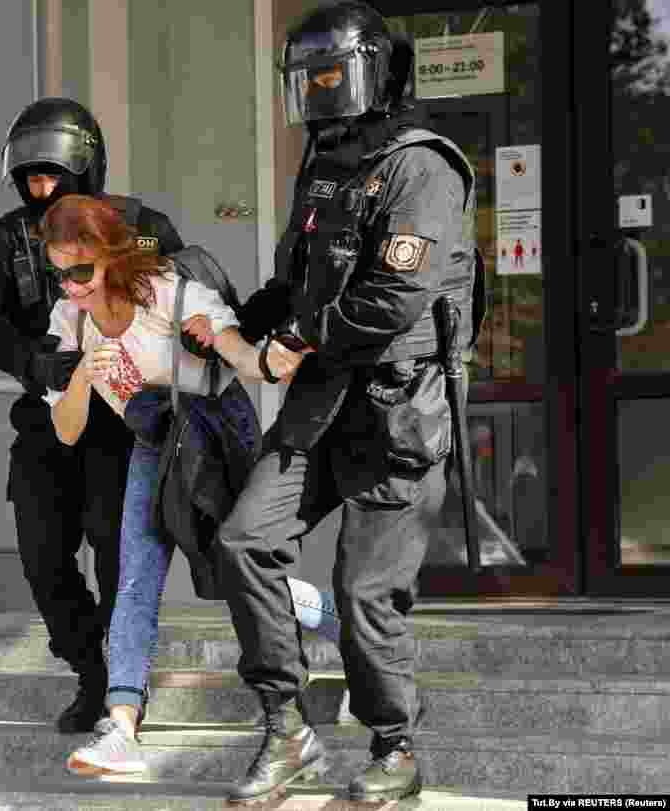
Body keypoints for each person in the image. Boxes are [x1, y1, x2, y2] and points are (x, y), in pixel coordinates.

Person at [217, 1, 479, 804]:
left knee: (366, 590)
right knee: (243, 540)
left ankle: (395, 745)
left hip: (397, 406)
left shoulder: (421, 164)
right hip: (319, 401)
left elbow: (393, 298)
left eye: (333, 75)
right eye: (310, 79)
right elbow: (298, 284)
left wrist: (297, 340)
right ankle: (286, 728)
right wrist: (231, 318)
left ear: (373, 73)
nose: (321, 92)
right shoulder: (323, 160)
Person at [32, 195, 341, 778]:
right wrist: (80, 378)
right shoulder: (69, 321)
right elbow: (67, 431)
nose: (71, 287)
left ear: (110, 258)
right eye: (60, 273)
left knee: (240, 571)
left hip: (216, 430)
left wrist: (250, 344)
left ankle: (334, 633)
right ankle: (121, 725)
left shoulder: (170, 294)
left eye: (80, 272)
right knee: (135, 574)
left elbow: (252, 366)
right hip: (156, 443)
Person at [0, 98, 184, 735]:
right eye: (30, 178)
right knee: (41, 557)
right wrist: (38, 367)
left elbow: (179, 296)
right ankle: (90, 670)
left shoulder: (140, 225)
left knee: (119, 558)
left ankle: (123, 687)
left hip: (121, 426)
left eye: (52, 176)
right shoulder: (6, 237)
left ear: (85, 170)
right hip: (46, 421)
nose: (41, 189)